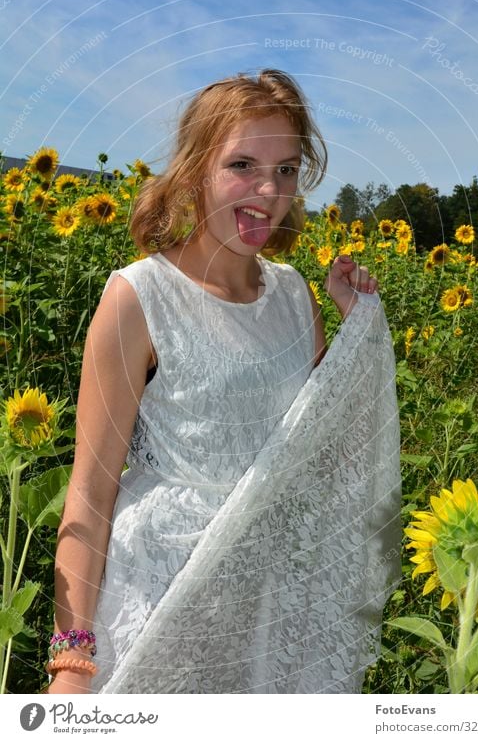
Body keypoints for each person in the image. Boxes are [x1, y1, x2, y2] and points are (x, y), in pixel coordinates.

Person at [47, 68, 401, 695]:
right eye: (243, 164)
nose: (268, 190)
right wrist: (71, 662)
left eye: (287, 169)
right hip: (160, 594)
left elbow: (325, 458)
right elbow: (90, 493)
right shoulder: (140, 296)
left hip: (266, 599)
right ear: (194, 171)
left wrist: (356, 332)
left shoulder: (294, 297)